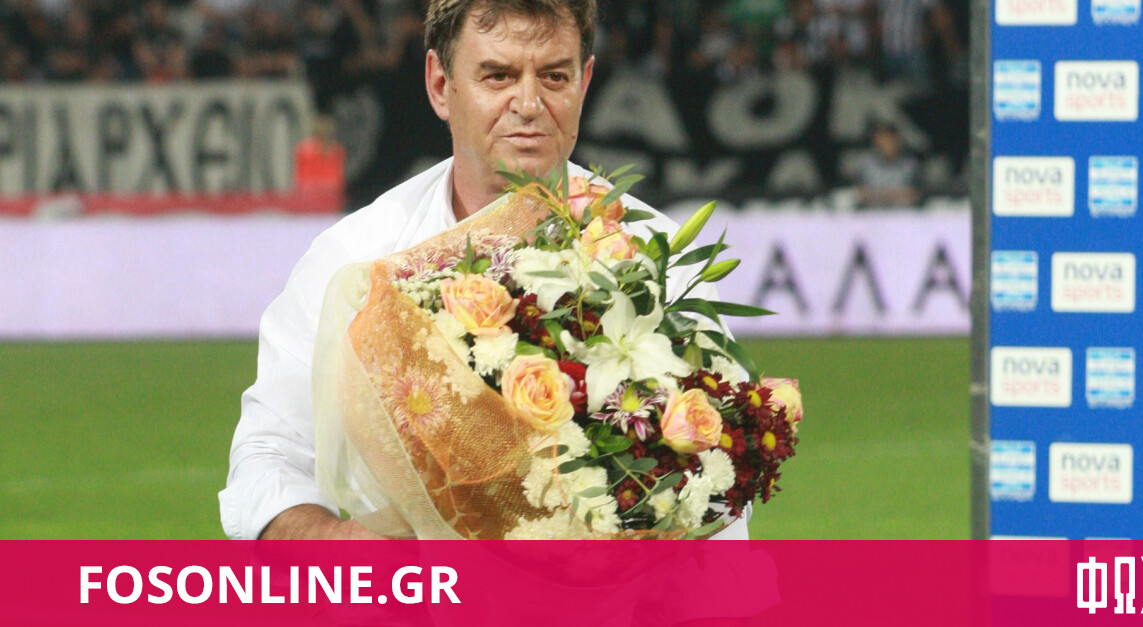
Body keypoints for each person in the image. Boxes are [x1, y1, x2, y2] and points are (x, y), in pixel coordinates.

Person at [219, 0, 750, 541]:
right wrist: (344, 544)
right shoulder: (356, 256)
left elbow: (719, 489)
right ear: (440, 85)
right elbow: (268, 458)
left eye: (554, 76)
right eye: (498, 76)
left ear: (584, 82)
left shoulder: (657, 261)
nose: (529, 104)